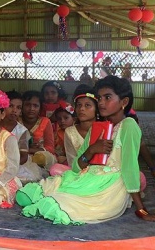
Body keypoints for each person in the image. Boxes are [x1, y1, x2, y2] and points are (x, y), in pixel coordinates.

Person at [17, 76, 155, 224]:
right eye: (100, 98)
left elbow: (129, 167)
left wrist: (141, 209)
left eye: (107, 97)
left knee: (69, 204)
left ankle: (56, 203)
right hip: (87, 176)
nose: (101, 102)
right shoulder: (97, 128)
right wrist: (91, 150)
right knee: (41, 190)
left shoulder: (128, 125)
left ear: (124, 102)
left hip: (110, 185)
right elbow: (76, 166)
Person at [21, 90, 56, 174]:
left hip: (41, 158)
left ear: (40, 108)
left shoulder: (45, 121)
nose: (31, 109)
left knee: (40, 158)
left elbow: (50, 148)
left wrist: (31, 150)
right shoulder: (16, 122)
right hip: (20, 156)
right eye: (27, 105)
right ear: (22, 106)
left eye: (35, 106)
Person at [64, 87, 98, 166]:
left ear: (97, 109)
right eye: (79, 105)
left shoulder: (105, 129)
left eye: (87, 105)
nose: (81, 109)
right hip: (79, 173)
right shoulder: (70, 132)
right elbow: (72, 163)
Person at [48, 105, 76, 176]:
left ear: (73, 118)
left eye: (66, 118)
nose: (62, 121)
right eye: (59, 119)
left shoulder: (77, 131)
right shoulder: (56, 134)